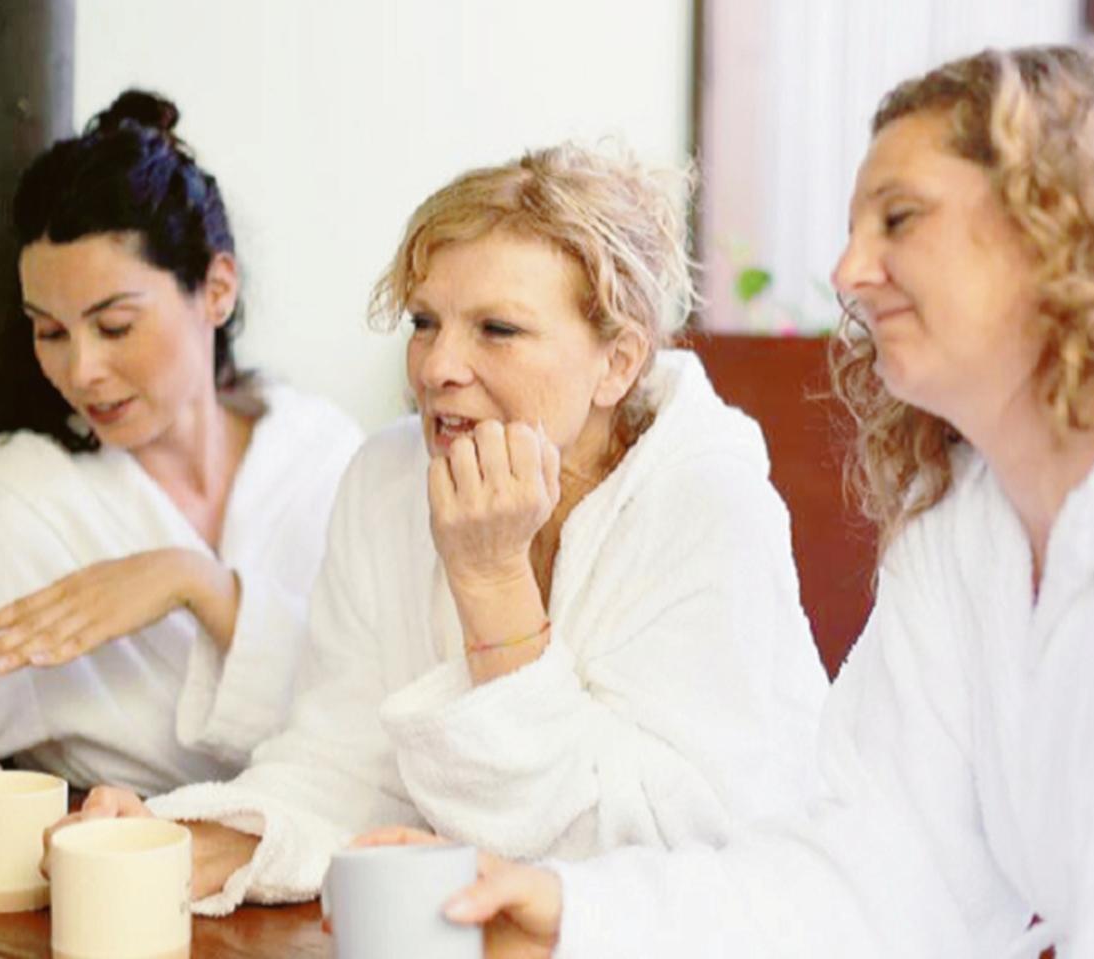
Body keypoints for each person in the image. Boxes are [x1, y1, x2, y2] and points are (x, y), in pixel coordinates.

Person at [390, 47, 1094, 957]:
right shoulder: (972, 530)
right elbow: (872, 879)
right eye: (853, 228)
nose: (847, 271)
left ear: (1060, 231)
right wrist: (580, 910)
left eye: (899, 220)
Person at [50, 142, 831, 915]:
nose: (435, 367)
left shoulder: (706, 506)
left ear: (618, 363)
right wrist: (197, 840)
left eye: (497, 329)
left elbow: (659, 848)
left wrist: (489, 580)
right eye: (425, 321)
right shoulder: (388, 479)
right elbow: (344, 760)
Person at [0, 90, 362, 852]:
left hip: (342, 879)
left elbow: (383, 707)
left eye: (115, 325)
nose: (81, 370)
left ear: (216, 289)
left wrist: (201, 584)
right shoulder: (26, 511)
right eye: (50, 332)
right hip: (119, 882)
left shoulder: (326, 457)